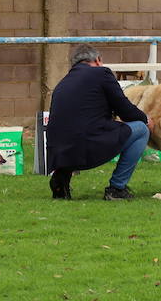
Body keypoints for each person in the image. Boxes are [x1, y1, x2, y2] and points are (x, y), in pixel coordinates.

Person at [45, 45, 152, 200]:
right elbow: (125, 110)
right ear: (97, 60)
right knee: (141, 129)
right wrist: (147, 119)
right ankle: (117, 188)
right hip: (86, 148)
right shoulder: (102, 73)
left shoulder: (62, 84)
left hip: (58, 154)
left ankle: (61, 179)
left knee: (72, 131)